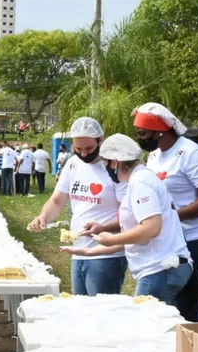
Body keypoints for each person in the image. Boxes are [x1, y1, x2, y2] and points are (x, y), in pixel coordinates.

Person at [65, 134, 192, 305]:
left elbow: (151, 228)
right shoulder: (139, 180)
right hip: (160, 268)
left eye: (106, 163)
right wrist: (91, 249)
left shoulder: (141, 183)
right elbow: (133, 237)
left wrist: (111, 239)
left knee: (144, 326)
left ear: (115, 162)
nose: (106, 169)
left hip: (159, 268)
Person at [133, 102, 198, 323]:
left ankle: (190, 349)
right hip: (167, 239)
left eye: (143, 133)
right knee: (163, 305)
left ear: (160, 131)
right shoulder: (154, 156)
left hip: (194, 238)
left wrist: (172, 217)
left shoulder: (190, 153)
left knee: (186, 306)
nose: (140, 138)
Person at [28, 117, 128, 296]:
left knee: (99, 313)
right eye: (78, 149)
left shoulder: (114, 167)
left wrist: (105, 228)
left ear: (101, 140)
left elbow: (128, 214)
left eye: (88, 148)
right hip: (78, 251)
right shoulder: (73, 164)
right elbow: (57, 200)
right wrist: (43, 217)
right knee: (79, 310)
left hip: (106, 255)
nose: (83, 154)